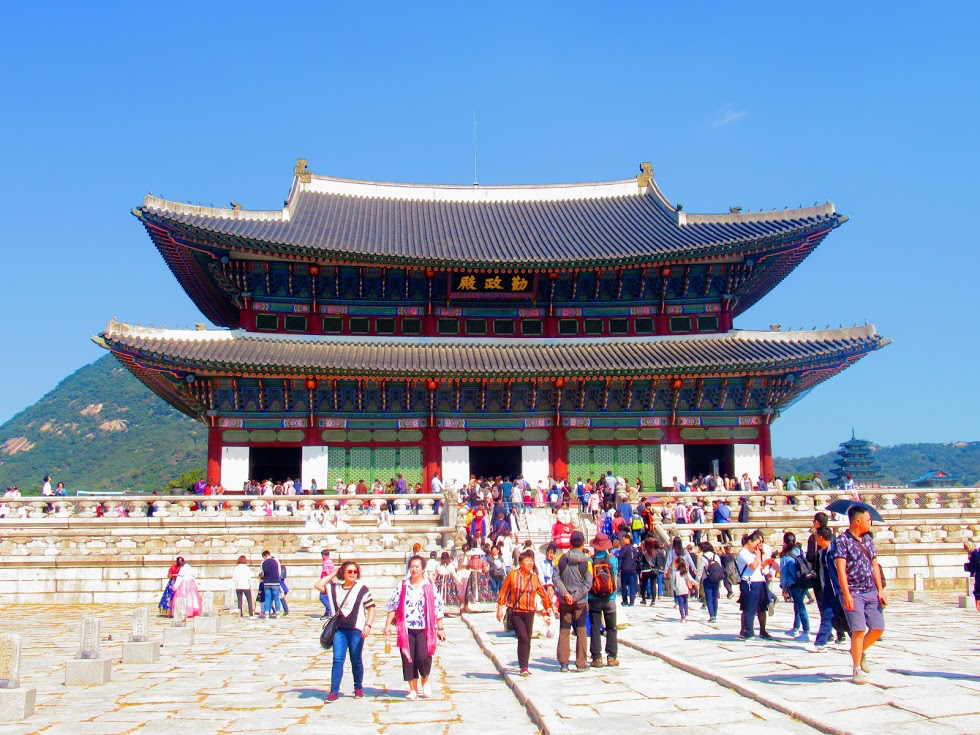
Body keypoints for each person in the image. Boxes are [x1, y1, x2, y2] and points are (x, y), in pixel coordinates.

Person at [835, 505, 887, 684]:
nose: (870, 523)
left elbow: (875, 565)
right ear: (858, 521)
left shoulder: (868, 540)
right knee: (858, 630)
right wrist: (846, 594)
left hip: (871, 590)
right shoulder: (842, 541)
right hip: (854, 592)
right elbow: (841, 569)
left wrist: (880, 590)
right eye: (868, 520)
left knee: (878, 628)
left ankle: (858, 651)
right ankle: (856, 668)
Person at [383, 555, 446, 700]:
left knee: (423, 656)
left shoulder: (429, 585)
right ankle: (413, 689)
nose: (414, 569)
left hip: (425, 628)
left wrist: (440, 627)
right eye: (412, 566)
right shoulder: (403, 585)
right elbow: (392, 605)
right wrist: (387, 625)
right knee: (408, 657)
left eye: (417, 566)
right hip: (406, 628)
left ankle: (425, 680)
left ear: (423, 568)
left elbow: (438, 606)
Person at [315, 561, 376, 702]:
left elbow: (371, 608)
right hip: (339, 630)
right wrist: (334, 573)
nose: (352, 574)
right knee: (337, 660)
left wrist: (368, 625)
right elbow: (318, 585)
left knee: (356, 659)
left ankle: (358, 688)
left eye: (355, 571)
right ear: (343, 573)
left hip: (356, 630)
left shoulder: (362, 589)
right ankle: (334, 691)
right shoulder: (334, 589)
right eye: (349, 571)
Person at [496, 549, 553, 676]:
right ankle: (523, 667)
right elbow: (503, 591)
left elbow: (543, 593)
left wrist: (548, 607)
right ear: (520, 563)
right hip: (516, 612)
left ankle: (525, 665)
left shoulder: (534, 578)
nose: (530, 563)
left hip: (530, 612)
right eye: (527, 561)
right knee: (522, 637)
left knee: (527, 640)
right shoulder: (513, 575)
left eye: (531, 561)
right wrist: (499, 608)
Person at [553, 531, 593, 673]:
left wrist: (566, 594)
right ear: (583, 543)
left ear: (570, 542)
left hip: (565, 601)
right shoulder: (587, 561)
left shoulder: (561, 558)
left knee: (564, 630)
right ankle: (581, 663)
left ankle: (564, 663)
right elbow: (588, 584)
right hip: (580, 601)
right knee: (581, 630)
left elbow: (555, 578)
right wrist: (575, 596)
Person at [587, 533, 620, 667]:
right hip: (610, 598)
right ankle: (612, 657)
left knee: (595, 627)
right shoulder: (613, 560)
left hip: (594, 598)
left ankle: (597, 658)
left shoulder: (590, 561)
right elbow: (615, 576)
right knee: (611, 628)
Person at [736, 531, 773, 641]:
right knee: (750, 608)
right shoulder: (743, 552)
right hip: (749, 583)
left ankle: (761, 631)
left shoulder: (752, 553)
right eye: (757, 543)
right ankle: (748, 632)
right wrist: (758, 555)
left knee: (761, 607)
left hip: (759, 581)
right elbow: (753, 565)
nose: (759, 546)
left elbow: (759, 566)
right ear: (750, 541)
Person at [779, 532, 811, 641]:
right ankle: (796, 628)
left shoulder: (785, 555)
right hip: (804, 582)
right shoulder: (800, 551)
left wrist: (783, 586)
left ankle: (806, 631)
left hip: (794, 583)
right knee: (798, 605)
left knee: (801, 607)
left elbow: (783, 573)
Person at [698, 542, 723, 623]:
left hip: (707, 579)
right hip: (716, 578)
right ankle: (715, 614)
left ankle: (712, 616)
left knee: (709, 598)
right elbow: (719, 568)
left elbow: (700, 570)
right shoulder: (716, 556)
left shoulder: (703, 557)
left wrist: (697, 580)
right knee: (715, 597)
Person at [638, 538, 664, 605]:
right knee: (653, 585)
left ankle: (643, 599)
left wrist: (640, 569)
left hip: (645, 569)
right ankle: (653, 601)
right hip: (653, 570)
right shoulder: (656, 552)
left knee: (644, 585)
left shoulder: (644, 552)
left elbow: (640, 561)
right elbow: (658, 562)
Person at [671, 557, 697, 622]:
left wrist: (675, 588)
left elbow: (672, 582)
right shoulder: (685, 572)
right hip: (685, 589)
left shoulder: (675, 573)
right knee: (685, 602)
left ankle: (682, 617)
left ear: (677, 564)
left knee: (681, 604)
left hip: (679, 590)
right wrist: (696, 583)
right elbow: (691, 579)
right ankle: (686, 615)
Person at [260, 550, 283, 619]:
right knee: (276, 598)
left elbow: (262, 573)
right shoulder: (276, 561)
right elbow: (279, 571)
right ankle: (277, 614)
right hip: (275, 582)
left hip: (267, 583)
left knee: (267, 598)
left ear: (264, 556)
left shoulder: (263, 562)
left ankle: (267, 613)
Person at [617, 534, 639, 607]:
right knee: (632, 586)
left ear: (628, 539)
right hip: (633, 569)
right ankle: (632, 601)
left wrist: (618, 568)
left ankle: (625, 601)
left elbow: (620, 558)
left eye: (623, 539)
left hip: (625, 569)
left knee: (624, 586)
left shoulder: (624, 549)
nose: (622, 541)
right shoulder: (634, 549)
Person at [319, 549, 336, 619]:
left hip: (325, 581)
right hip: (329, 581)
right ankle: (327, 613)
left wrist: (330, 578)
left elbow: (327, 572)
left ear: (323, 555)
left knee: (322, 597)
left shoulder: (325, 562)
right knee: (327, 597)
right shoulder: (331, 562)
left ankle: (330, 610)